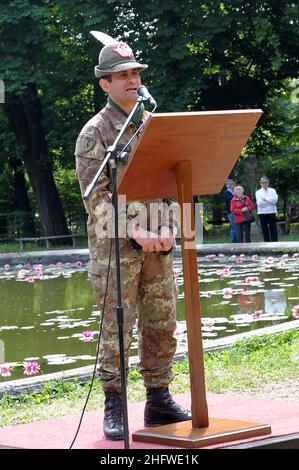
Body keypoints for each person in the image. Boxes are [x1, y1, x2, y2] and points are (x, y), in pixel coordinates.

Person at [75, 35, 191, 441]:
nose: (131, 79)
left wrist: (167, 229)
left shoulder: (152, 125)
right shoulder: (95, 133)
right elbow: (97, 200)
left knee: (162, 321)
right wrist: (136, 230)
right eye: (121, 75)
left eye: (135, 73)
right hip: (115, 249)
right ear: (104, 83)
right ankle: (115, 402)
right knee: (116, 326)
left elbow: (171, 180)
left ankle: (158, 398)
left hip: (157, 242)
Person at [255, 176, 278, 242]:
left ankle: (275, 242)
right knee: (264, 229)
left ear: (268, 183)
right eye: (263, 182)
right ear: (260, 183)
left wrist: (265, 199)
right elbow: (260, 203)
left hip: (272, 212)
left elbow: (275, 201)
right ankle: (266, 243)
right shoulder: (258, 192)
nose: (264, 184)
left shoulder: (273, 190)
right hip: (262, 213)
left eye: (266, 182)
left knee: (273, 228)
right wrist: (270, 202)